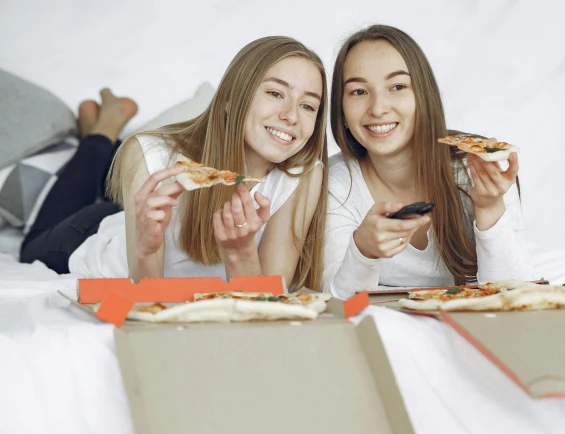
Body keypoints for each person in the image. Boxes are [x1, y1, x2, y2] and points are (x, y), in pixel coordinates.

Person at [31, 36, 328, 291]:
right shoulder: (148, 153)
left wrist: (241, 252)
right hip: (91, 232)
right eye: (276, 93)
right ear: (228, 99)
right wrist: (147, 248)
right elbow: (148, 299)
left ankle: (103, 128)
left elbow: (267, 303)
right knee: (30, 244)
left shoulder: (303, 175)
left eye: (308, 105)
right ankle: (102, 130)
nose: (292, 116)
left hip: (134, 208)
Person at [322, 25, 534, 297]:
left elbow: (516, 295)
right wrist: (363, 251)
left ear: (423, 95)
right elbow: (338, 303)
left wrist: (490, 209)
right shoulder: (336, 183)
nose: (377, 108)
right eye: (359, 92)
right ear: (340, 107)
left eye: (397, 86)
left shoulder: (474, 166)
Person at [19, 89, 137, 273]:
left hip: (125, 216)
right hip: (122, 223)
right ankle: (102, 132)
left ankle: (100, 133)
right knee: (33, 249)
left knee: (32, 250)